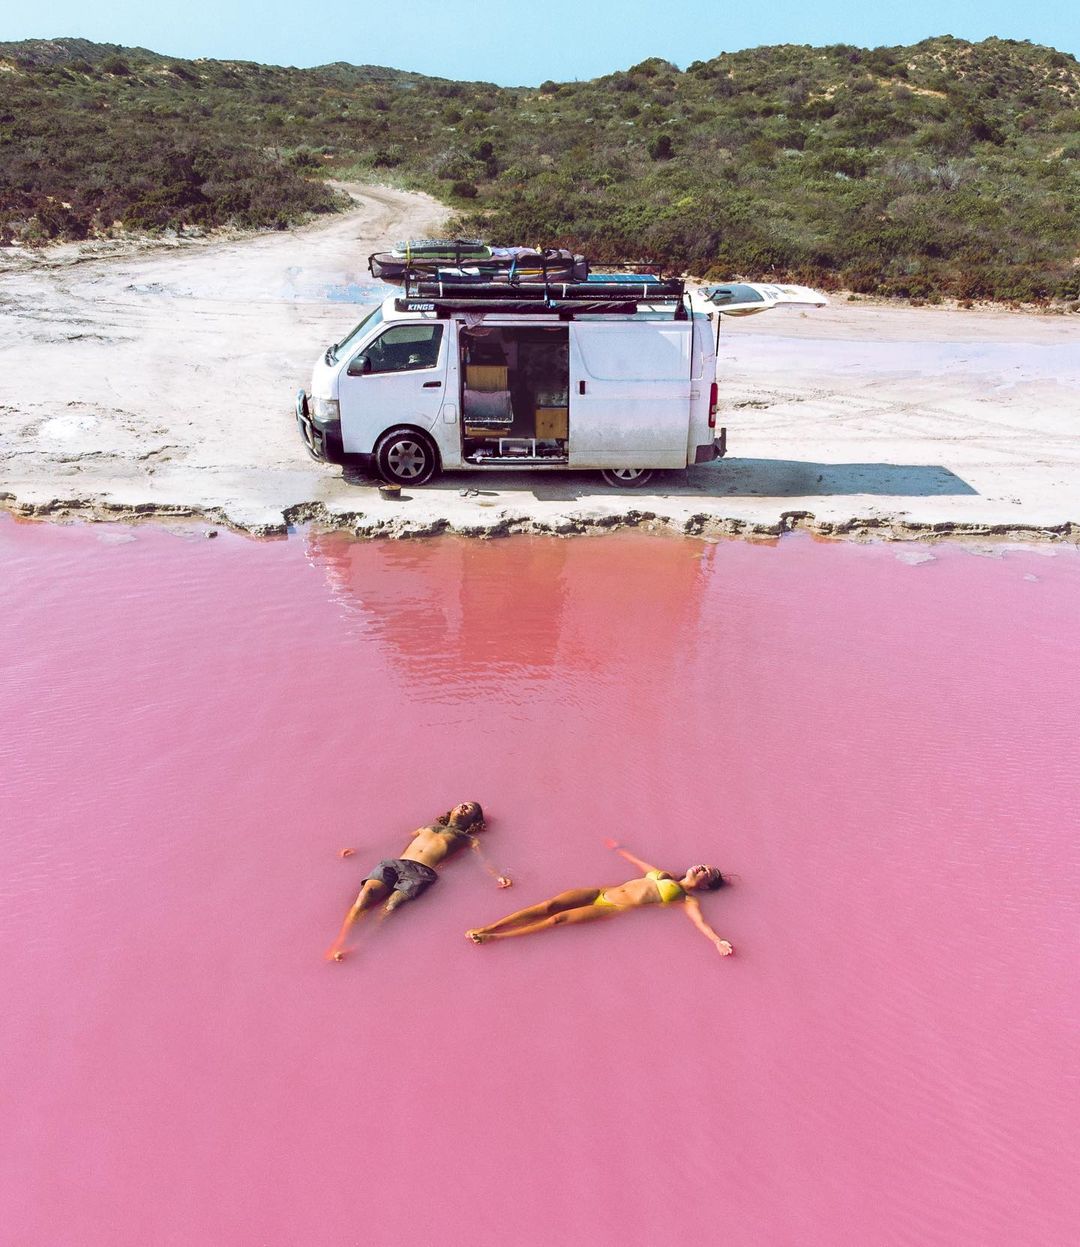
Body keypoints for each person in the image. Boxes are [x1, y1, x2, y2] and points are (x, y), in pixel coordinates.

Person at [466, 842, 734, 954]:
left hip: (611, 907)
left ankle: (496, 938)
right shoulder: (662, 874)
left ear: (707, 886)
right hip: (600, 892)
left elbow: (700, 923)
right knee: (547, 905)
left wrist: (718, 941)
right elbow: (641, 864)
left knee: (557, 919)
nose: (703, 867)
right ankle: (489, 926)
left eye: (708, 873)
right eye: (705, 865)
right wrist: (619, 849)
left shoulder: (686, 899)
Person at [328, 801, 506, 960]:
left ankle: (358, 945)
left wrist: (497, 876)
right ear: (451, 810)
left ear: (473, 820)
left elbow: (484, 860)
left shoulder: (468, 839)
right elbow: (392, 840)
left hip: (422, 872)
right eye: (462, 804)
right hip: (395, 864)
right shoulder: (427, 828)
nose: (464, 807)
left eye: (470, 809)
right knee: (366, 894)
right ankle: (341, 939)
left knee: (391, 907)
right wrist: (360, 850)